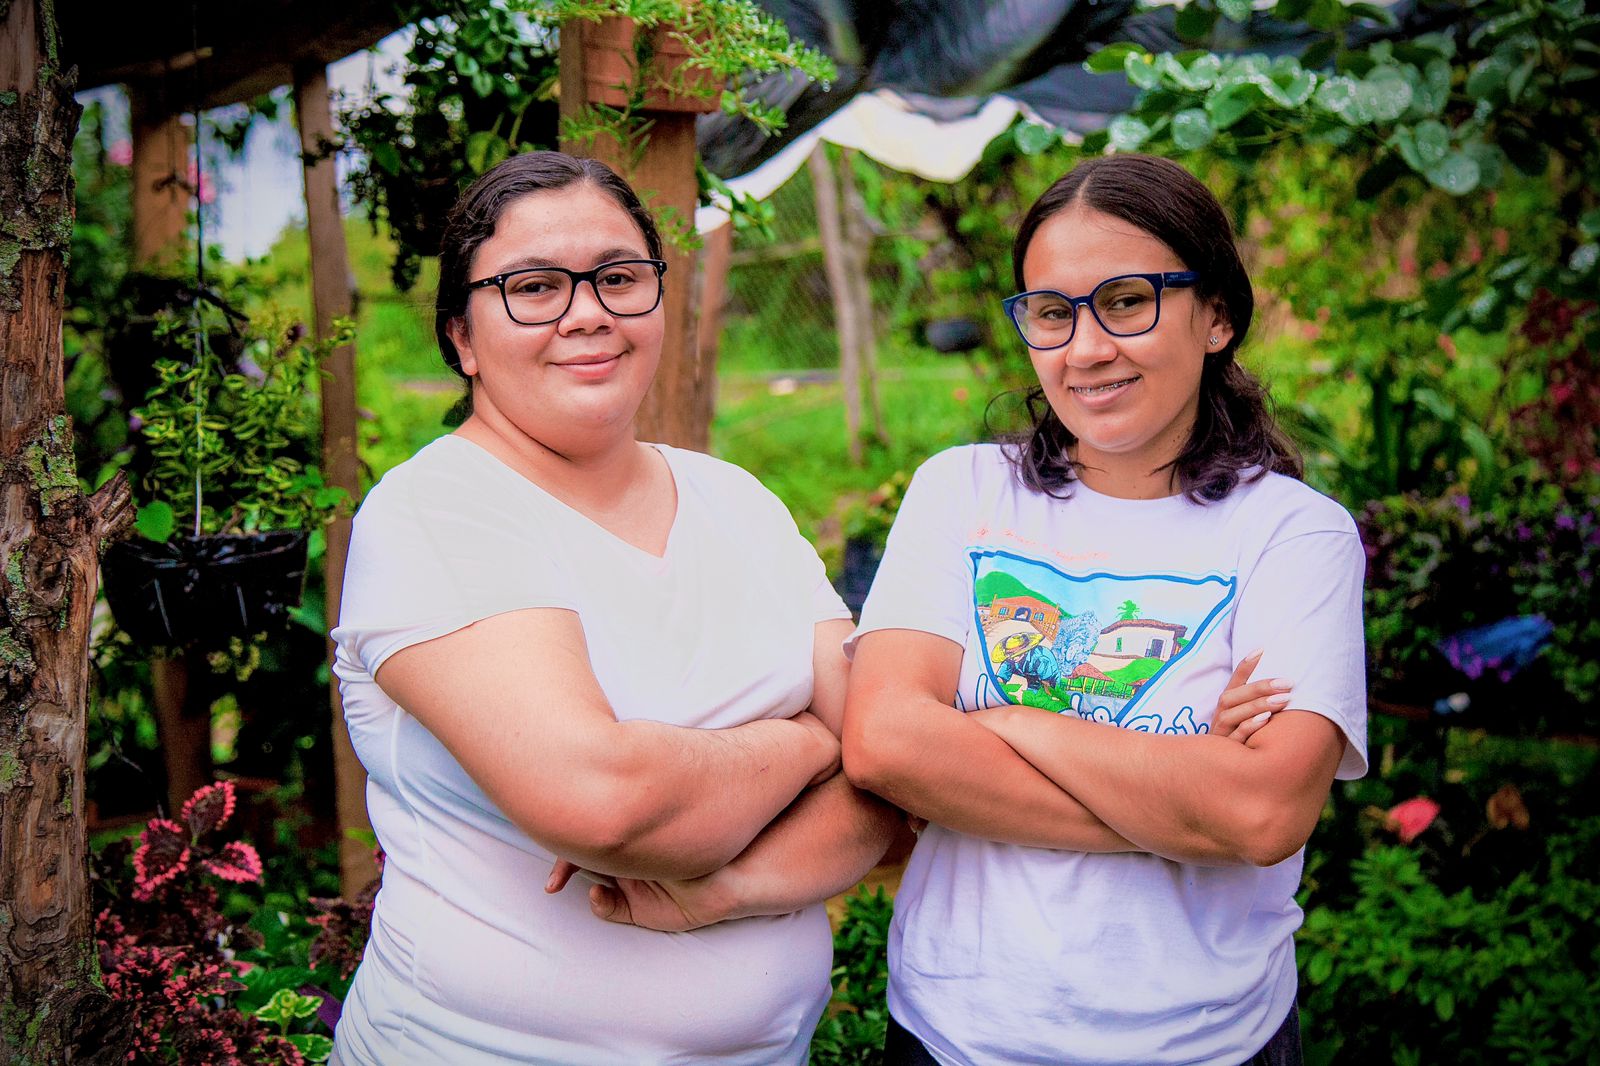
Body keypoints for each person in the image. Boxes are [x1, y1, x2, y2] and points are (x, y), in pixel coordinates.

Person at [328, 150, 899, 1065]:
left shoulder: (733, 500)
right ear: (461, 338)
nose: (586, 311)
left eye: (619, 278)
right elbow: (608, 802)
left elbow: (893, 775)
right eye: (534, 287)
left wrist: (726, 888)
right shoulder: (437, 510)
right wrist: (810, 743)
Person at [841, 153, 1368, 1066]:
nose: (1086, 348)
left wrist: (999, 723)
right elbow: (885, 741)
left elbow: (1263, 815)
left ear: (1217, 316)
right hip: (960, 1036)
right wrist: (1184, 790)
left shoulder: (1295, 536)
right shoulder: (961, 492)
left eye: (1127, 300)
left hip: (1206, 1043)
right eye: (1053, 312)